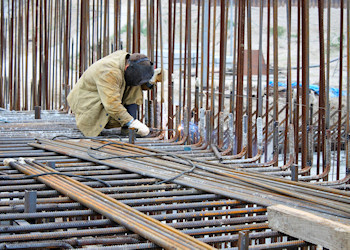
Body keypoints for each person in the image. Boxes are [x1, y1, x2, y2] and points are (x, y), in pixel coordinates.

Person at [67, 50, 163, 137]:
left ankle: (129, 129)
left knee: (135, 87)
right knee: (115, 107)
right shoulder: (109, 72)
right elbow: (112, 105)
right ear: (127, 67)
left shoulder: (127, 60)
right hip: (88, 106)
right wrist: (132, 122)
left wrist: (150, 80)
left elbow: (138, 83)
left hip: (105, 98)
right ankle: (130, 125)